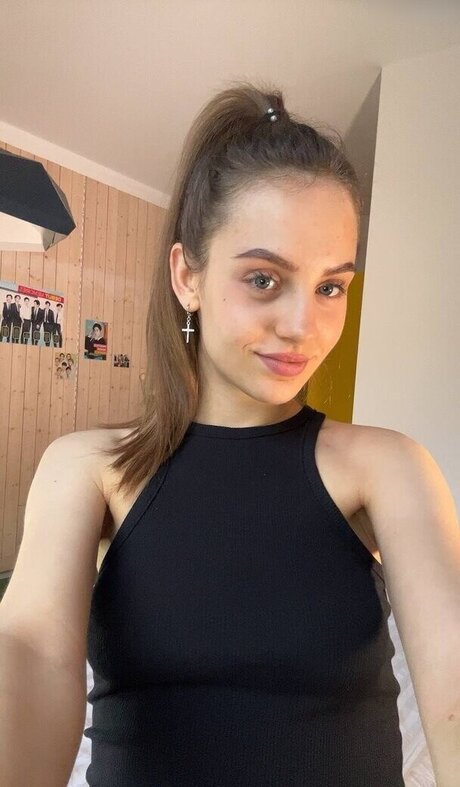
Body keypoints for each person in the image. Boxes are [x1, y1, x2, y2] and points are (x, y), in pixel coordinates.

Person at [0, 81, 459, 787]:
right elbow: (30, 647)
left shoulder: (387, 467)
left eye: (331, 287)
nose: (304, 326)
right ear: (187, 275)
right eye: (264, 279)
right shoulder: (88, 467)